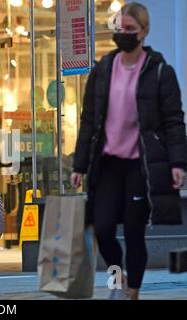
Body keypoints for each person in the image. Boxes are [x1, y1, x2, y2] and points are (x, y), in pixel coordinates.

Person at [71, 2, 187, 300]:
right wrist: (79, 165)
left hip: (141, 164)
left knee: (135, 230)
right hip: (108, 162)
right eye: (119, 29)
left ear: (144, 32)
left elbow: (174, 121)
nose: (123, 35)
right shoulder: (103, 70)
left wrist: (178, 163)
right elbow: (89, 120)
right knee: (104, 228)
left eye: (130, 30)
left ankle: (131, 291)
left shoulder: (160, 72)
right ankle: (117, 280)